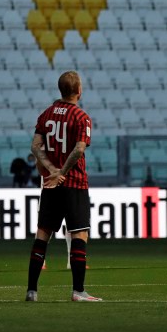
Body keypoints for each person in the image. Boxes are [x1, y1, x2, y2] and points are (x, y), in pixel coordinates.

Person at [25, 71, 100, 303]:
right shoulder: (81, 117)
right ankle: (78, 291)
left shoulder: (45, 114)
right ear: (79, 90)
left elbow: (35, 146)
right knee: (79, 233)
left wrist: (51, 169)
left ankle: (32, 291)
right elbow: (78, 149)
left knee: (42, 235)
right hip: (74, 182)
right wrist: (62, 173)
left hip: (49, 184)